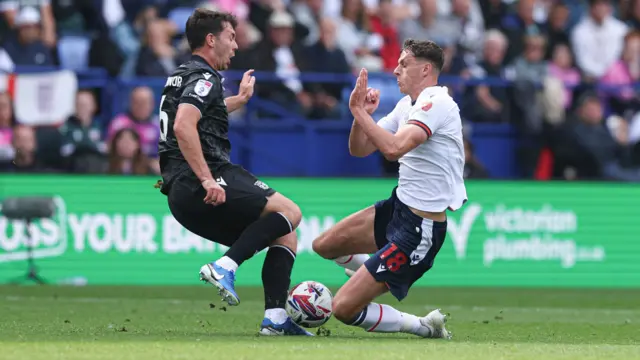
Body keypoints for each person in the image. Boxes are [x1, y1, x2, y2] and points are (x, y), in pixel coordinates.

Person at [156, 9, 311, 336]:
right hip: (202, 177)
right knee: (291, 212)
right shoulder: (204, 76)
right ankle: (224, 266)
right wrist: (207, 178)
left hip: (179, 194)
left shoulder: (182, 74)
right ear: (211, 40)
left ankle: (276, 320)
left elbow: (196, 113)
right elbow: (185, 125)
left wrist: (238, 100)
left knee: (284, 232)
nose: (236, 46)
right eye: (231, 37)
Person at [312, 39, 468, 339]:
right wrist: (364, 117)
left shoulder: (437, 102)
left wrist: (358, 112)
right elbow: (359, 149)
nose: (395, 70)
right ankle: (373, 272)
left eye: (403, 64)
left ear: (425, 70)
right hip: (398, 209)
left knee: (343, 308)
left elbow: (394, 148)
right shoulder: (406, 105)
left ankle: (422, 326)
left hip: (419, 230)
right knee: (325, 245)